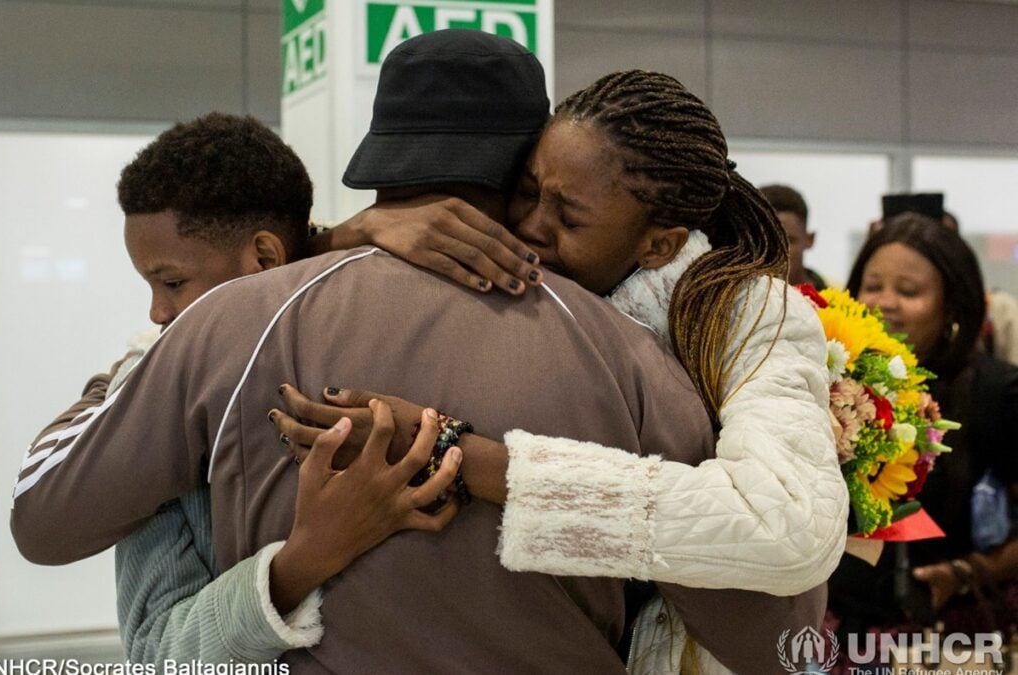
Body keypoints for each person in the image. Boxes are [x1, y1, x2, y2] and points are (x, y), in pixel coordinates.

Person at [9, 33, 830, 675]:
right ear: (527, 158)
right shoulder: (635, 354)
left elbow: (44, 516)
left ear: (380, 156)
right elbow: (775, 635)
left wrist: (307, 253)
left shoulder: (236, 320)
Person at [276, 68, 848, 671]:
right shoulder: (520, 270)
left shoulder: (752, 312)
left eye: (569, 219)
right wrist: (357, 230)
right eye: (527, 190)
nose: (530, 226)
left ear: (659, 245)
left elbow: (788, 528)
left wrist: (461, 456)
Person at [21, 112, 461, 663]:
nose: (157, 311)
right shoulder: (173, 390)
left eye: (172, 282)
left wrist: (131, 372)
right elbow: (160, 648)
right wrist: (297, 566)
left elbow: (156, 653)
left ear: (267, 256)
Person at [828, 213, 1018, 653]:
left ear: (952, 305)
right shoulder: (832, 383)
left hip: (953, 640)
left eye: (908, 291)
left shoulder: (998, 392)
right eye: (872, 286)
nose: (884, 302)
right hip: (834, 637)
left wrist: (968, 572)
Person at [760, 183, 827, 289]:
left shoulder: (835, 302)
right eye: (766, 243)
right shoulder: (734, 301)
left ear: (810, 239)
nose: (777, 253)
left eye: (788, 242)